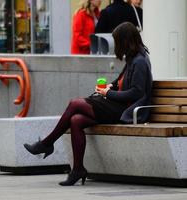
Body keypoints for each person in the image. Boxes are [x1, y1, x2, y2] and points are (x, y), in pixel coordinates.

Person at [24, 22, 153, 186]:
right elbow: (120, 82)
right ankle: (77, 169)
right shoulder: (133, 58)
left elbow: (137, 93)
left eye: (118, 42)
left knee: (75, 103)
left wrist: (108, 93)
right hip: (117, 106)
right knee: (76, 120)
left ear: (126, 41)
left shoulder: (140, 61)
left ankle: (47, 144)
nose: (116, 46)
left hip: (125, 111)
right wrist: (109, 87)